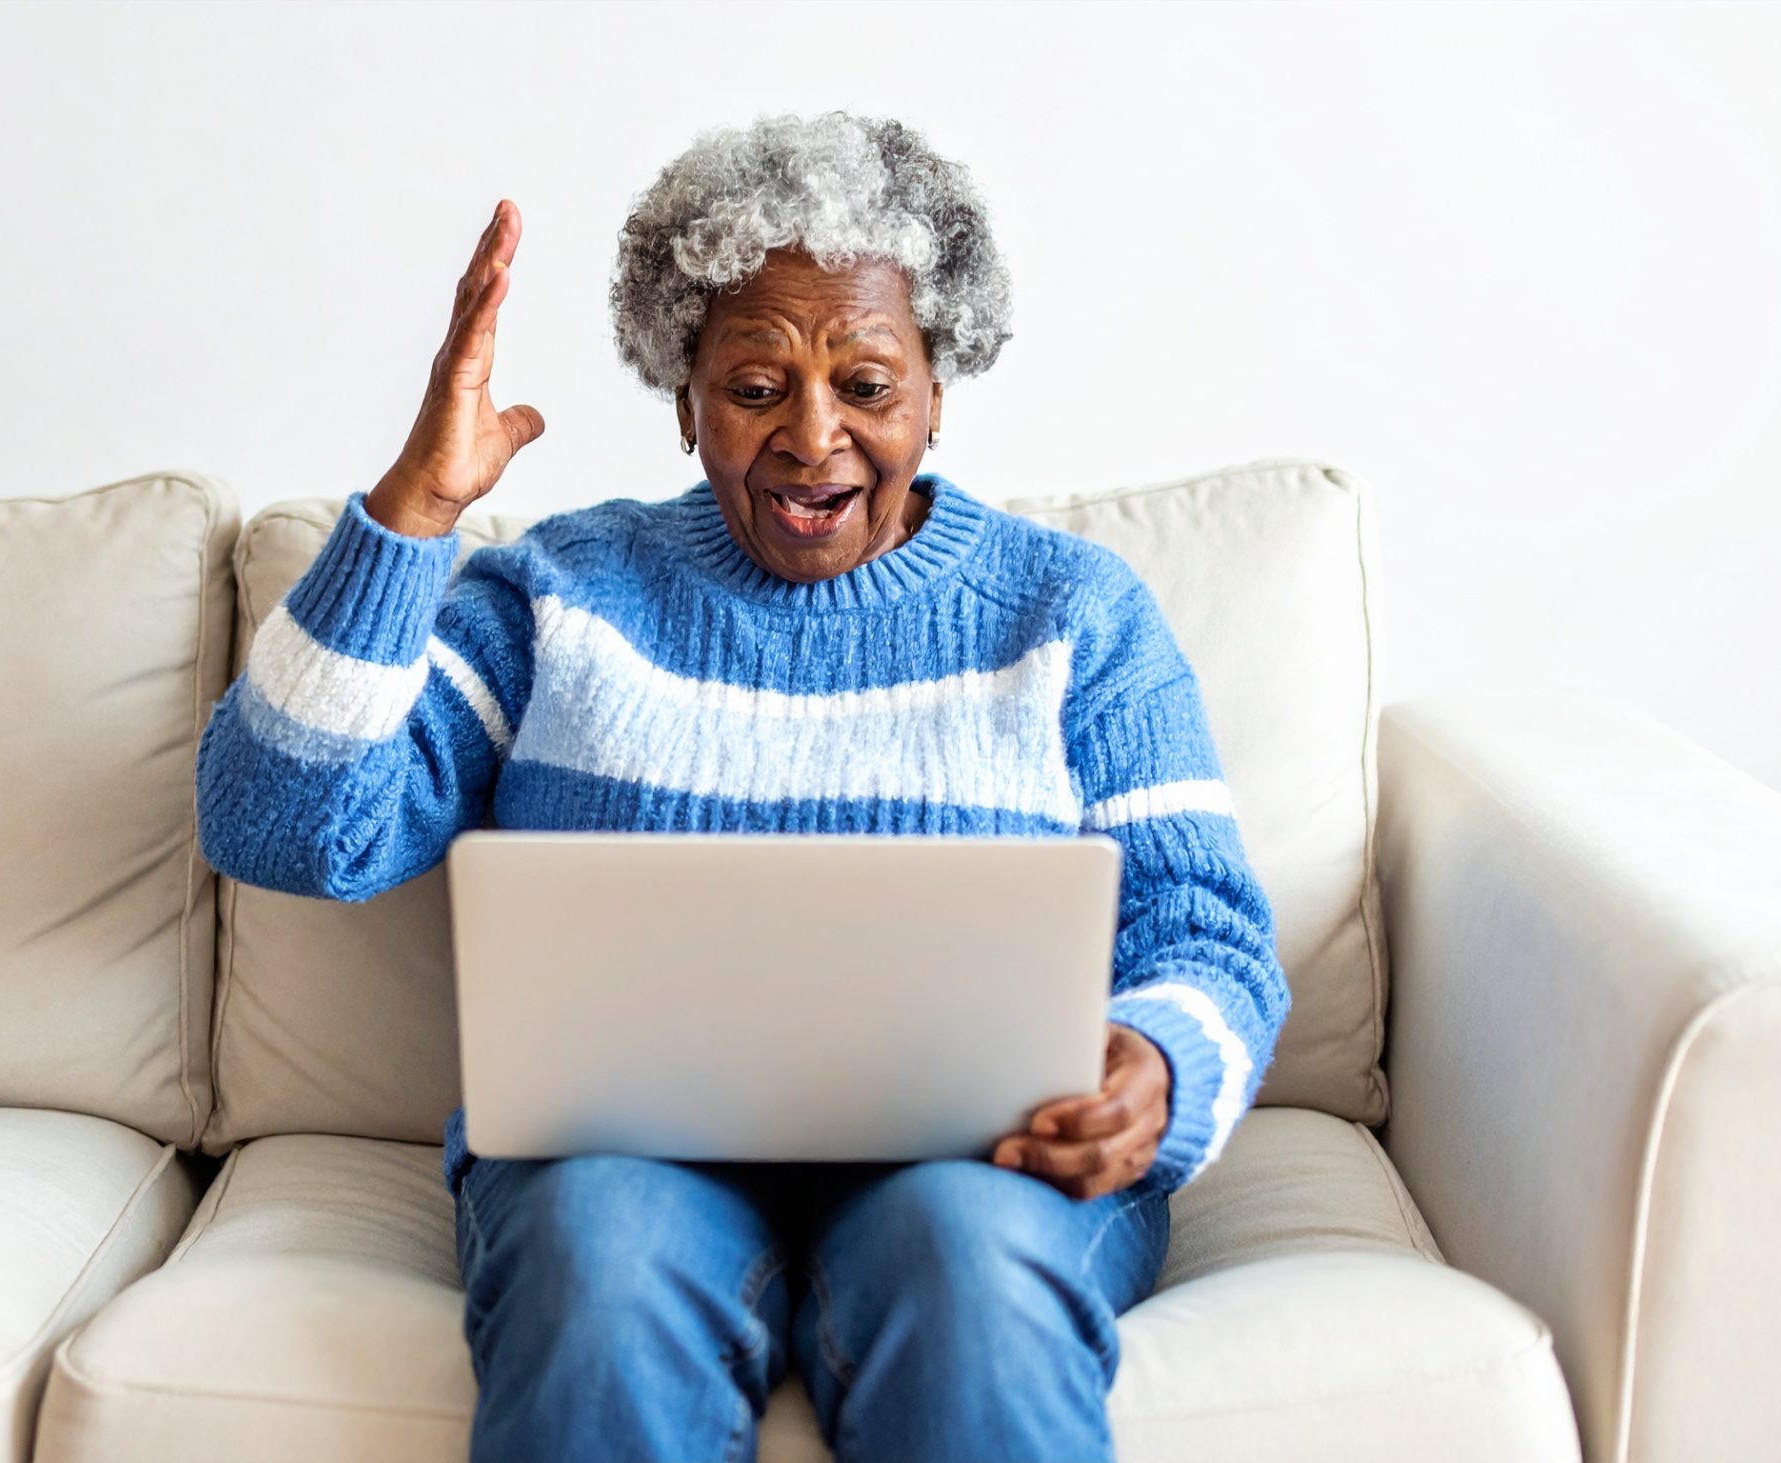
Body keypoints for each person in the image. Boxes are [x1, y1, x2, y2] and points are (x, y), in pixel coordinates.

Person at [196, 111, 1288, 1463]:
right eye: (757, 386)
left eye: (867, 384)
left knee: (963, 1270)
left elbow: (1207, 929)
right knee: (600, 1267)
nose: (813, 437)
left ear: (937, 392)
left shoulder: (1073, 611)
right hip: (621, 1165)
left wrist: (1161, 1068)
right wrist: (414, 511)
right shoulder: (560, 591)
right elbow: (282, 828)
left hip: (982, 1163)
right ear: (685, 401)